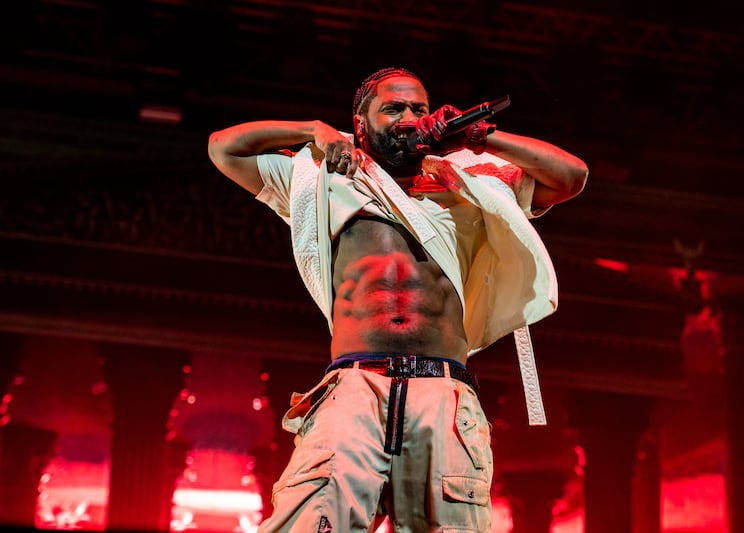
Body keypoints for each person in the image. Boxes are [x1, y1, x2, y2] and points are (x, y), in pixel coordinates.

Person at [208, 67, 588, 533]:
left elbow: (571, 176)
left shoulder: (467, 181)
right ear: (360, 123)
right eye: (393, 108)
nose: (409, 117)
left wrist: (478, 139)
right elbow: (223, 148)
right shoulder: (322, 177)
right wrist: (313, 130)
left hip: (443, 391)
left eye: (418, 109)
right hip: (354, 387)